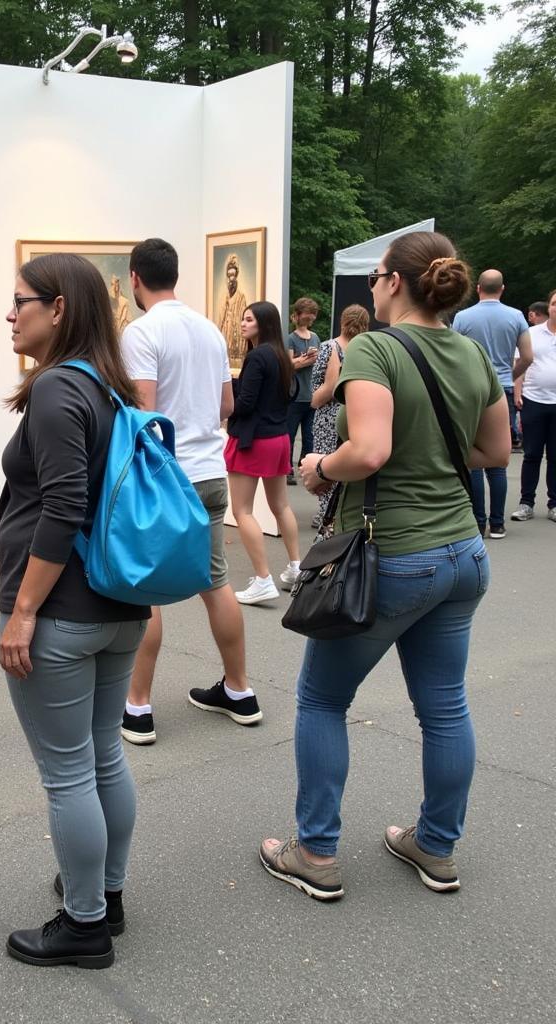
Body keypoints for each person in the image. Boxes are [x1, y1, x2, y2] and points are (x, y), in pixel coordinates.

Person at [260, 231, 509, 901]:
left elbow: (368, 451)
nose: (371, 286)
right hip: (462, 552)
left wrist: (317, 468)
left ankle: (314, 852)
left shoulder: (373, 347)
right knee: (446, 709)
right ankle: (435, 845)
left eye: (376, 277)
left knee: (321, 699)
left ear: (394, 282)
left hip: (390, 555)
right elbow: (496, 450)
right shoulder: (470, 352)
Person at [0, 253, 146, 970]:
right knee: (102, 757)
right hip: (118, 606)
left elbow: (64, 508)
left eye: (19, 301)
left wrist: (22, 612)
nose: (9, 314)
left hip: (62, 614)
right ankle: (106, 895)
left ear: (58, 308)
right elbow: (49, 507)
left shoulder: (57, 391)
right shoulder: (105, 387)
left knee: (68, 775)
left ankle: (84, 923)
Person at [118, 238, 260, 747]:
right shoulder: (208, 330)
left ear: (135, 277)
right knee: (216, 582)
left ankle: (137, 707)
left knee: (145, 590)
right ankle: (240, 691)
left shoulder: (140, 333)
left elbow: (143, 414)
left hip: (164, 477)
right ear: (175, 274)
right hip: (209, 472)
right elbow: (226, 403)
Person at [226, 301, 302, 606]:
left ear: (263, 324)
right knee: (280, 505)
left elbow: (245, 403)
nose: (243, 324)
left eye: (249, 320)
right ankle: (296, 567)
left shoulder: (257, 357)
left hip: (253, 440)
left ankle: (262, 579)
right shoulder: (281, 356)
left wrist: (224, 396)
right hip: (279, 438)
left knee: (242, 511)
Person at [452, 270, 532, 536]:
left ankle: (477, 521)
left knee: (473, 456)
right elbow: (528, 356)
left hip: (470, 389)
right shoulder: (516, 316)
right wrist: (511, 374)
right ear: (502, 288)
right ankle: (498, 523)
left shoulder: (463, 318)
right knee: (498, 459)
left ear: (477, 289)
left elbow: (451, 355)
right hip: (503, 389)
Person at [309, 304, 369, 531]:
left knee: (326, 469)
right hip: (356, 417)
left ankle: (327, 518)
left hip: (327, 419)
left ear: (342, 321)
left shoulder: (327, 347)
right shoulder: (367, 349)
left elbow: (315, 398)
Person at [511, 289, 556, 524]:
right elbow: (521, 363)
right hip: (534, 399)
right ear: (548, 307)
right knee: (532, 454)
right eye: (554, 303)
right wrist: (517, 392)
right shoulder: (532, 333)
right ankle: (526, 503)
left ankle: (554, 503)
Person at [285, 297, 321, 485]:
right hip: (295, 394)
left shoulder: (314, 337)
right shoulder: (291, 338)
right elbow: (288, 364)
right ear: (298, 315)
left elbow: (321, 362)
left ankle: (304, 467)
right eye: (307, 315)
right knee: (289, 434)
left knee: (309, 436)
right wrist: (305, 359)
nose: (310, 319)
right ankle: (287, 469)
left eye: (312, 316)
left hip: (311, 395)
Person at [218, 254, 248, 366]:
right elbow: (220, 320)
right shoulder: (223, 297)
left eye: (234, 275)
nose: (231, 279)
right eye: (229, 275)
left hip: (238, 339)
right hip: (227, 335)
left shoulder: (241, 297)